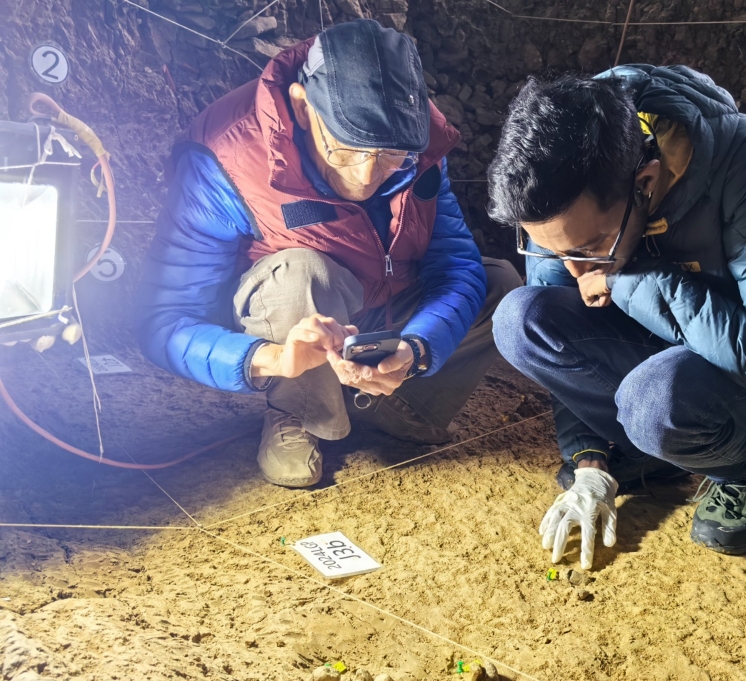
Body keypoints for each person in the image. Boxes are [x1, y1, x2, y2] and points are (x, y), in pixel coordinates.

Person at [488, 67, 746, 567]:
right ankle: (641, 451)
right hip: (663, 345)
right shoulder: (559, 178)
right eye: (554, 250)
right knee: (520, 320)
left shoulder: (745, 159)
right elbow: (563, 328)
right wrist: (588, 460)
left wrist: (628, 281)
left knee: (655, 400)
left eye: (590, 247)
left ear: (646, 181)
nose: (576, 271)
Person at [137, 20, 520, 488]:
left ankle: (393, 407)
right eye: (344, 150)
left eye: (388, 156)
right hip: (286, 327)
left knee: (499, 283)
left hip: (381, 318)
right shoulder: (225, 156)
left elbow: (455, 265)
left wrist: (417, 347)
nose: (365, 176)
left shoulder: (417, 144)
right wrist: (273, 359)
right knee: (300, 271)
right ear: (302, 107)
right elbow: (164, 321)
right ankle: (299, 414)